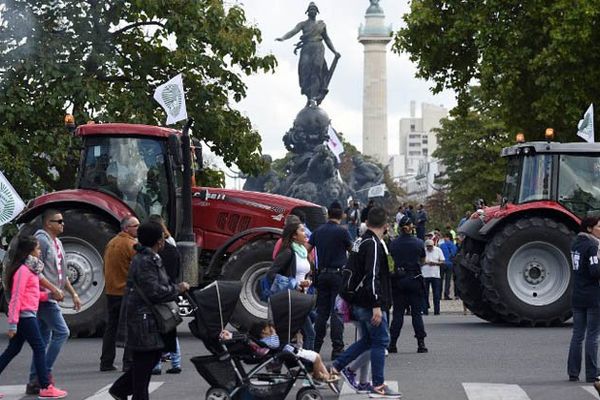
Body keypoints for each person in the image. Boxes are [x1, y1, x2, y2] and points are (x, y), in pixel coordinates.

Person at [109, 221, 189, 400]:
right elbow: (154, 291)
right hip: (143, 318)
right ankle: (127, 392)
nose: (163, 241)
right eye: (162, 237)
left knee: (148, 360)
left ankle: (121, 389)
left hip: (147, 316)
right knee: (144, 363)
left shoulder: (149, 257)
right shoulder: (146, 260)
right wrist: (178, 289)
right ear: (158, 240)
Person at [331, 207, 401, 399]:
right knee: (381, 341)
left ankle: (338, 367)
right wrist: (377, 305)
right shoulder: (374, 244)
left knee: (368, 341)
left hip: (355, 299)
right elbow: (372, 276)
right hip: (369, 302)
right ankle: (378, 385)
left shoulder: (360, 241)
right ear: (386, 225)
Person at [0, 236, 68, 399]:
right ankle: (45, 386)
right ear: (29, 251)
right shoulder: (23, 271)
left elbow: (33, 294)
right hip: (25, 316)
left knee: (13, 350)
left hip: (27, 314)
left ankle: (44, 385)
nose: (39, 251)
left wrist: (49, 295)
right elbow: (16, 297)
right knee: (38, 348)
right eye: (37, 249)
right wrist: (13, 324)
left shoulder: (30, 269)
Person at [27, 209, 81, 396]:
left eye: (62, 221)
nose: (62, 224)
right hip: (43, 297)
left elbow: (62, 273)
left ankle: (35, 380)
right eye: (58, 221)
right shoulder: (41, 241)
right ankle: (44, 374)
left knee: (43, 340)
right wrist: (53, 289)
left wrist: (73, 293)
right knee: (62, 332)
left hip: (49, 297)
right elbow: (35, 270)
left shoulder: (56, 242)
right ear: (48, 224)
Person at [307, 200, 352, 359]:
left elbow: (307, 250)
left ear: (328, 215)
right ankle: (337, 347)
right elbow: (352, 250)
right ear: (341, 215)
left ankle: (316, 345)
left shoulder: (318, 231)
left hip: (322, 274)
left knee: (322, 312)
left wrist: (313, 267)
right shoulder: (342, 232)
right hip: (338, 275)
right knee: (337, 311)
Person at [276, 2, 341, 105]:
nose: (313, 11)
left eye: (314, 9)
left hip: (318, 48)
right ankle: (308, 95)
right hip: (306, 48)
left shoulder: (321, 25)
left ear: (317, 12)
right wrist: (283, 38)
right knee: (304, 71)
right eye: (311, 9)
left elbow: (327, 39)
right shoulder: (303, 24)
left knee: (316, 70)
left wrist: (334, 51)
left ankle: (313, 97)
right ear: (307, 12)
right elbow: (293, 31)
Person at [267, 220, 315, 350]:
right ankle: (307, 366)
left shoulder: (303, 252)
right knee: (309, 333)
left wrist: (308, 281)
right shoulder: (288, 252)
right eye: (302, 230)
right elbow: (271, 274)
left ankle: (280, 362)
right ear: (294, 235)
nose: (305, 234)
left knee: (292, 335)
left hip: (301, 298)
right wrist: (294, 284)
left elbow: (305, 274)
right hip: (290, 299)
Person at [100, 216, 139, 372]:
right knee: (131, 327)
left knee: (112, 327)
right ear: (126, 228)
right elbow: (138, 268)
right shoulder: (131, 244)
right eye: (136, 226)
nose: (138, 228)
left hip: (111, 291)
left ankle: (106, 361)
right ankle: (128, 363)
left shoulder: (112, 243)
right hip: (125, 291)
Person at [248, 322, 338, 384]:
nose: (271, 329)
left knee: (316, 357)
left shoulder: (265, 340)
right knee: (317, 357)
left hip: (292, 351)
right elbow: (275, 344)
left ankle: (326, 376)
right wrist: (274, 333)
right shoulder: (267, 340)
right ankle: (320, 376)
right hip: (293, 353)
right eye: (268, 328)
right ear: (263, 331)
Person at [148, 215, 183, 375]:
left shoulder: (151, 253)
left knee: (156, 330)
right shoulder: (173, 246)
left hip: (157, 293)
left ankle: (156, 365)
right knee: (170, 327)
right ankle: (176, 362)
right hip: (171, 291)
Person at [388, 215, 428, 354]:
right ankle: (421, 344)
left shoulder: (393, 244)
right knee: (417, 314)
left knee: (398, 314)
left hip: (399, 280)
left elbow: (391, 261)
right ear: (411, 227)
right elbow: (422, 260)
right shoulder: (418, 243)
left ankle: (392, 343)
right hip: (414, 279)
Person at [567, 216, 600, 383]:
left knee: (577, 335)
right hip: (593, 295)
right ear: (589, 229)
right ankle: (592, 373)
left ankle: (573, 372)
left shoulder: (575, 244)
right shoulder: (592, 246)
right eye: (599, 227)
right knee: (593, 336)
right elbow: (595, 271)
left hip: (577, 294)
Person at [422, 239, 445, 316]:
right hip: (425, 274)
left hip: (435, 275)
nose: (429, 248)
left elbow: (442, 261)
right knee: (425, 293)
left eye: (431, 246)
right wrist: (425, 262)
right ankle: (425, 310)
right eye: (428, 247)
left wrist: (435, 263)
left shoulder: (438, 250)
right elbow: (419, 261)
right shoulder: (423, 251)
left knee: (436, 294)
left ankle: (437, 311)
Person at [439, 232, 458, 300]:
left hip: (442, 263)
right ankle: (446, 295)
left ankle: (439, 295)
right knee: (448, 280)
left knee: (440, 280)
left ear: (448, 237)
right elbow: (454, 255)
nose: (444, 238)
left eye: (445, 237)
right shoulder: (454, 246)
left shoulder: (441, 245)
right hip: (450, 264)